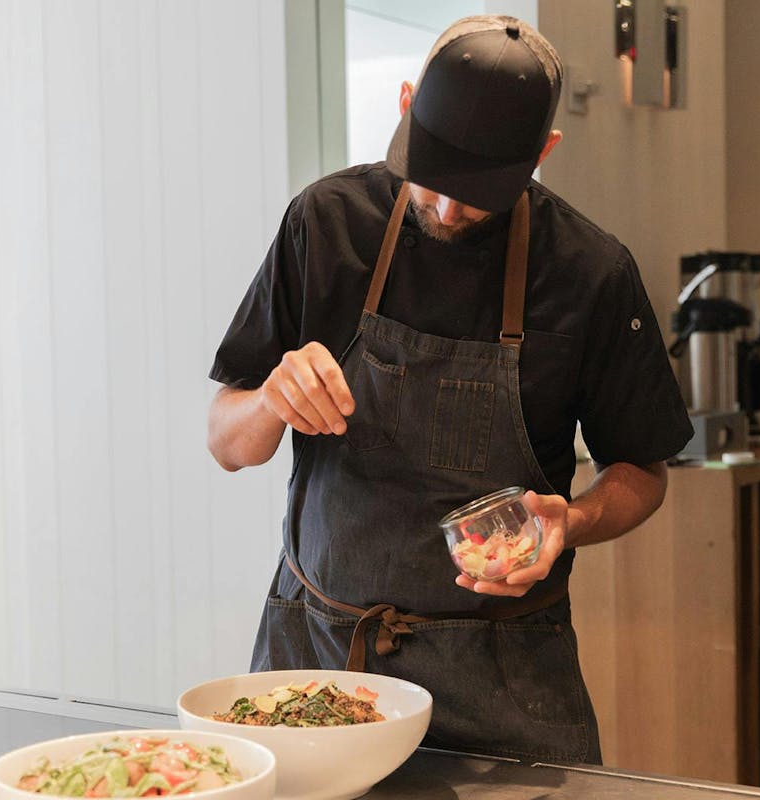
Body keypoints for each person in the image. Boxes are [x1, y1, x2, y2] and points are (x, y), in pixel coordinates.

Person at [206, 15, 692, 763]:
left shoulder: (590, 273)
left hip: (505, 679)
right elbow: (226, 443)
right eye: (431, 176)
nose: (446, 207)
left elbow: (643, 472)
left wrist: (572, 521)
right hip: (320, 665)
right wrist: (272, 399)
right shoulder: (325, 225)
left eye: (480, 192)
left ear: (544, 153)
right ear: (405, 103)